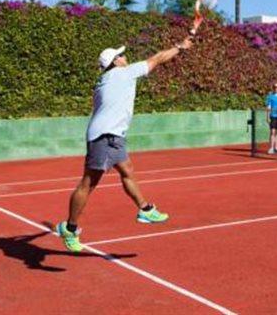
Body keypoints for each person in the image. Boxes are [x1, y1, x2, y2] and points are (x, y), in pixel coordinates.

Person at [57, 37, 192, 252]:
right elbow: (157, 59)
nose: (125, 57)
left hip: (112, 136)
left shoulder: (105, 80)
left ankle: (145, 209)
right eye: (121, 55)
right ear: (115, 62)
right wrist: (180, 47)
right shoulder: (123, 74)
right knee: (88, 184)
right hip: (104, 136)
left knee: (127, 169)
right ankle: (70, 228)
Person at [265, 82, 277, 154]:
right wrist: (267, 117)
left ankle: (276, 147)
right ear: (273, 88)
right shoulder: (270, 96)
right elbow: (268, 107)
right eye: (275, 87)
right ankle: (271, 148)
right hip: (273, 116)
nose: (276, 89)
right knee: (272, 132)